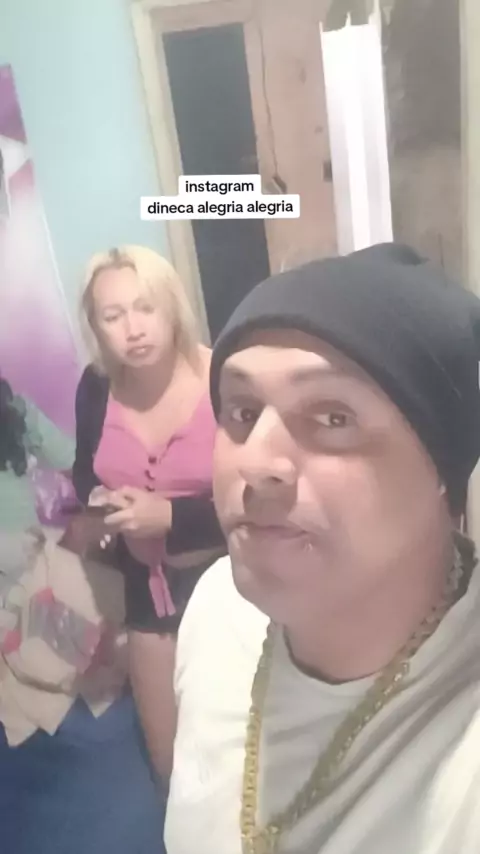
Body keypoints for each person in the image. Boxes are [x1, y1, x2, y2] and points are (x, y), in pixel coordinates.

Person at [164, 244, 480, 854]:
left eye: (334, 417)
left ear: (441, 468)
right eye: (242, 410)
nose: (255, 461)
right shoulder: (218, 609)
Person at [72, 245, 226, 777]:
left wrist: (171, 519)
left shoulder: (224, 378)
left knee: (242, 754)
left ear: (172, 308)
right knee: (170, 763)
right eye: (112, 316)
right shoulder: (95, 386)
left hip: (230, 586)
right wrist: (100, 502)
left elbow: (262, 500)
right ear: (95, 326)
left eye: (145, 308)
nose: (133, 330)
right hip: (145, 593)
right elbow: (85, 470)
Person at [0, 376, 165, 854]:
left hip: (36, 567)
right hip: (15, 586)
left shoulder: (13, 409)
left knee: (92, 532)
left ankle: (107, 654)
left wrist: (115, 497)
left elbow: (81, 466)